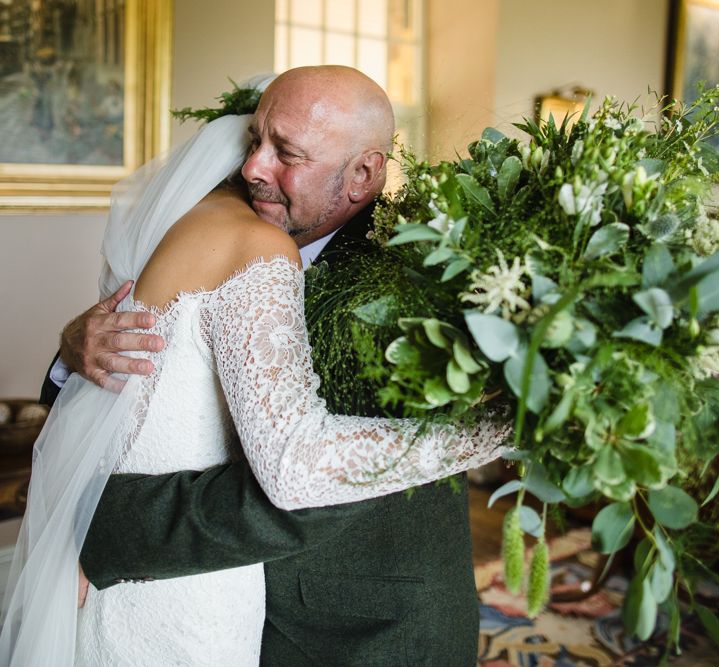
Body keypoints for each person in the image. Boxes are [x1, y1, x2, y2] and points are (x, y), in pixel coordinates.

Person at [23, 67, 509, 665]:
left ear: (363, 175)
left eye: (288, 154)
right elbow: (128, 403)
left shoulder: (411, 293)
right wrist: (74, 351)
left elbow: (304, 490)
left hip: (362, 628)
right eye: (256, 140)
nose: (254, 166)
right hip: (219, 600)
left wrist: (102, 527)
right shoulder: (217, 227)